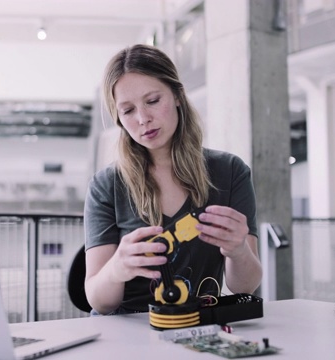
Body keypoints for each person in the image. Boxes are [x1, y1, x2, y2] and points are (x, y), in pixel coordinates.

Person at [83, 44, 262, 315]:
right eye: (128, 110)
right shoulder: (106, 186)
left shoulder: (230, 172)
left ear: (177, 95)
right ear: (118, 119)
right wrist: (116, 268)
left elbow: (244, 288)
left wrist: (238, 250)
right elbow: (99, 301)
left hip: (198, 327)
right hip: (128, 334)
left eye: (153, 101)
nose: (143, 119)